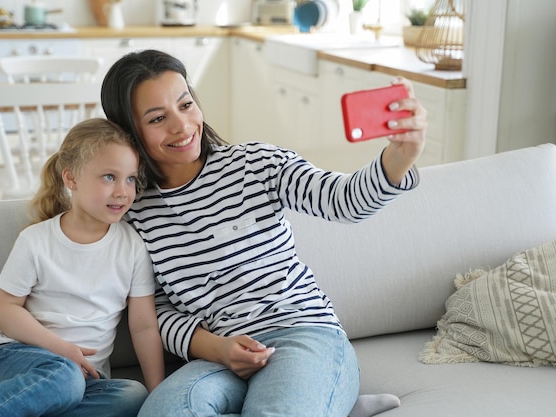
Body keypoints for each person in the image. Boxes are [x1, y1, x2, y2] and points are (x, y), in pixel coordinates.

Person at [100, 49, 426, 417]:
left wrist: (400, 156)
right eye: (158, 118)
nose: (182, 126)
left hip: (301, 333)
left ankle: (322, 395)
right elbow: (157, 313)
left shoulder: (257, 164)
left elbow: (343, 201)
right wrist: (219, 349)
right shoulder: (135, 213)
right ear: (130, 132)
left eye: (186, 104)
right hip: (220, 358)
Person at [0, 118, 164, 417]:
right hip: (19, 359)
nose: (123, 191)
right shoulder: (36, 240)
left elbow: (143, 325)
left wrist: (158, 394)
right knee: (64, 377)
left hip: (87, 380)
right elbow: (4, 309)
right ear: (71, 179)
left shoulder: (132, 246)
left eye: (130, 178)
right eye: (109, 177)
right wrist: (62, 349)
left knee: (132, 395)